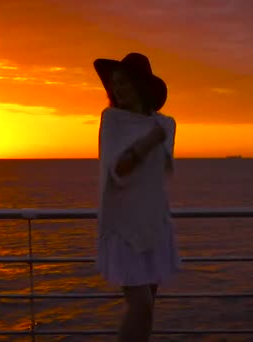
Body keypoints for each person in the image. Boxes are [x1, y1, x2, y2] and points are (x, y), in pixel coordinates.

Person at [94, 52, 180, 341]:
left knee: (149, 308)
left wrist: (156, 136)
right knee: (140, 306)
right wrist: (148, 142)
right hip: (122, 226)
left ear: (141, 86)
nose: (117, 89)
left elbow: (160, 174)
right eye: (114, 84)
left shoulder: (166, 125)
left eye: (124, 83)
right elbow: (117, 170)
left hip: (154, 223)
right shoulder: (112, 120)